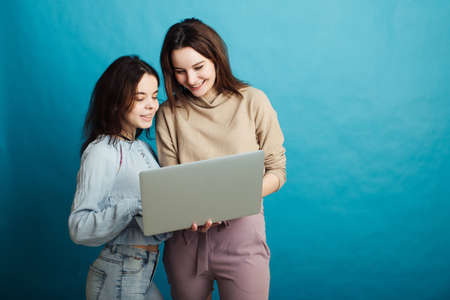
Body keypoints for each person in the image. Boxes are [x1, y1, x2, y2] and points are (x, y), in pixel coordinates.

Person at [156, 18, 287, 300]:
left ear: (216, 58)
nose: (190, 79)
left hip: (241, 234)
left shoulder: (252, 101)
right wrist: (187, 210)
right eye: (179, 71)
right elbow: (171, 180)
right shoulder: (168, 114)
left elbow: (277, 171)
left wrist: (231, 200)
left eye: (198, 67)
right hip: (186, 239)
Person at [68, 55, 172, 300]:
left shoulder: (144, 149)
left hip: (141, 273)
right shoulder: (102, 151)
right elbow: (78, 227)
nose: (151, 105)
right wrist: (133, 206)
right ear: (115, 101)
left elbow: (154, 224)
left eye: (155, 96)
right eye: (139, 98)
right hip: (118, 273)